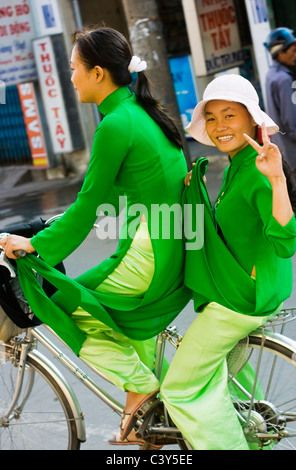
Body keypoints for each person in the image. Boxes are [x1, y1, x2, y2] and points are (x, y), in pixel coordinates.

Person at [0, 27, 191, 447]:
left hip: (150, 254)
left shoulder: (116, 124)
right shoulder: (139, 113)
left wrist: (33, 245)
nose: (70, 78)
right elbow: (100, 198)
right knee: (118, 324)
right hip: (170, 247)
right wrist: (51, 226)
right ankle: (140, 423)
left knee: (68, 305)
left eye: (74, 69)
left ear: (99, 73)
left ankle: (141, 388)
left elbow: (89, 206)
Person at [160, 74, 296, 450]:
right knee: (228, 379)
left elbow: (286, 241)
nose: (220, 126)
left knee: (179, 389)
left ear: (252, 120)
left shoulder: (256, 170)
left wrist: (277, 181)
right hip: (253, 292)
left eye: (229, 115)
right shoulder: (237, 165)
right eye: (212, 118)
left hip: (238, 300)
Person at [264, 27, 296, 220]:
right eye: (292, 49)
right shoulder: (284, 79)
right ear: (280, 51)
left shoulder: (271, 75)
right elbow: (294, 125)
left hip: (286, 155)